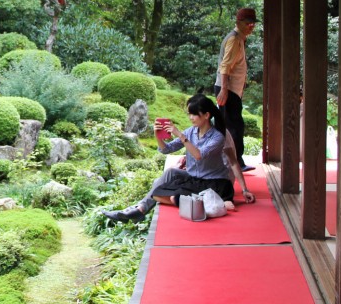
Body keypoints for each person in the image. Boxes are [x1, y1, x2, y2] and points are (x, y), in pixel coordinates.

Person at [102, 95, 253, 223]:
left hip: (214, 182)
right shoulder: (191, 132)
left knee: (164, 194)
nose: (190, 118)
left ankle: (183, 200)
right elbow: (166, 150)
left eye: (194, 114)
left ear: (206, 115)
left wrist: (180, 135)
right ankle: (140, 208)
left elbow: (199, 155)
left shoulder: (217, 137)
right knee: (164, 182)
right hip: (194, 179)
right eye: (189, 114)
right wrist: (158, 135)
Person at [214, 7, 258, 172]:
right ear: (238, 22)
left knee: (234, 125)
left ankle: (235, 161)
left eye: (253, 23)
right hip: (227, 89)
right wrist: (224, 89)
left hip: (232, 90)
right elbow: (225, 66)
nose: (251, 26)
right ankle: (234, 162)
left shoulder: (240, 39)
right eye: (248, 23)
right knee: (232, 127)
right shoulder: (233, 39)